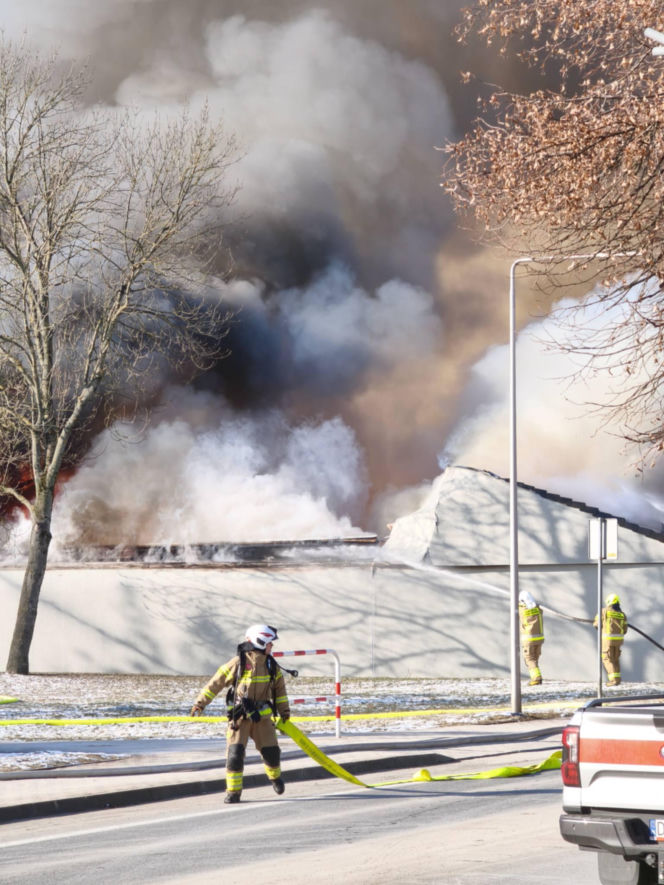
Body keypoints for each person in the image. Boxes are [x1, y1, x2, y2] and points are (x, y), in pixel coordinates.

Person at [190, 624, 291, 804]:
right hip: (240, 718)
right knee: (235, 755)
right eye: (270, 643)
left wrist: (284, 713)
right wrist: (200, 704)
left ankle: (275, 778)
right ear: (260, 642)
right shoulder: (239, 663)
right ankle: (233, 792)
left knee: (272, 753)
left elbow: (280, 692)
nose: (272, 647)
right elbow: (216, 683)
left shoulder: (271, 665)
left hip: (263, 719)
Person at [593, 593, 628, 687]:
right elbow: (625, 630)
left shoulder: (604, 611)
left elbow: (596, 624)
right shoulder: (622, 614)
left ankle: (613, 681)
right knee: (615, 659)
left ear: (609, 602)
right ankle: (617, 679)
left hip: (607, 641)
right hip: (618, 641)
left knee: (607, 659)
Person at [518, 591, 544, 685]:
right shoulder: (538, 608)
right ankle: (537, 677)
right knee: (535, 659)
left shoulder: (522, 609)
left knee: (529, 659)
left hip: (528, 639)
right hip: (539, 639)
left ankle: (536, 678)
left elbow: (517, 614)